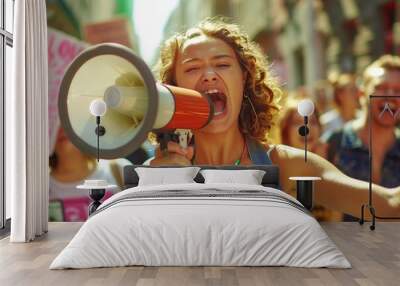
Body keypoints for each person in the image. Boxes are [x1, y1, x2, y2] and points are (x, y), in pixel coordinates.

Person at [149, 18, 400, 219]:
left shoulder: (289, 165)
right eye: (192, 68)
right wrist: (154, 192)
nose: (209, 75)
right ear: (174, 88)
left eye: (222, 64)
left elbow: (388, 204)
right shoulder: (156, 172)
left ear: (244, 79)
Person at [325, 55, 400, 189]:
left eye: (398, 90)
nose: (390, 95)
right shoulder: (332, 145)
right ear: (361, 94)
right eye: (381, 87)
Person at [49, 126, 131, 222]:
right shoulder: (36, 187)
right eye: (54, 122)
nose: (60, 128)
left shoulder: (119, 169)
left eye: (66, 119)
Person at [320, 73, 361, 139]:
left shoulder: (364, 118)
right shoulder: (326, 122)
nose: (358, 94)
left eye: (357, 90)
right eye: (353, 90)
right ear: (340, 95)